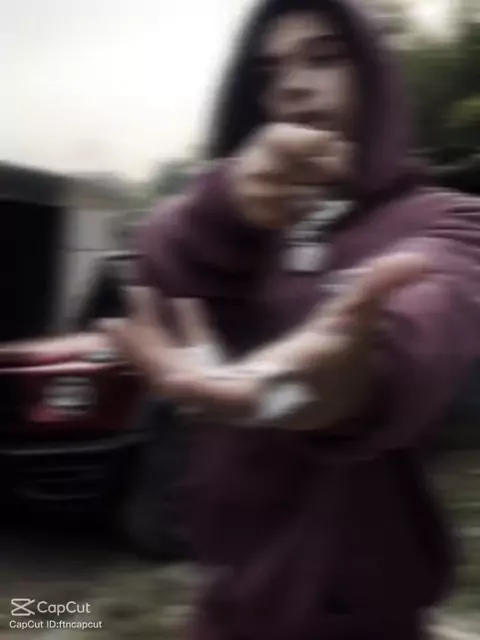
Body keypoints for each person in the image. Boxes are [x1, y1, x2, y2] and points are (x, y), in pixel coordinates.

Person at [106, 0, 480, 638]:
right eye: (270, 71)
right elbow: (157, 263)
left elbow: (421, 329)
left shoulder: (444, 219)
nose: (291, 85)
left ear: (374, 77)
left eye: (323, 58)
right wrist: (227, 203)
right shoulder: (249, 229)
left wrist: (323, 379)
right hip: (221, 615)